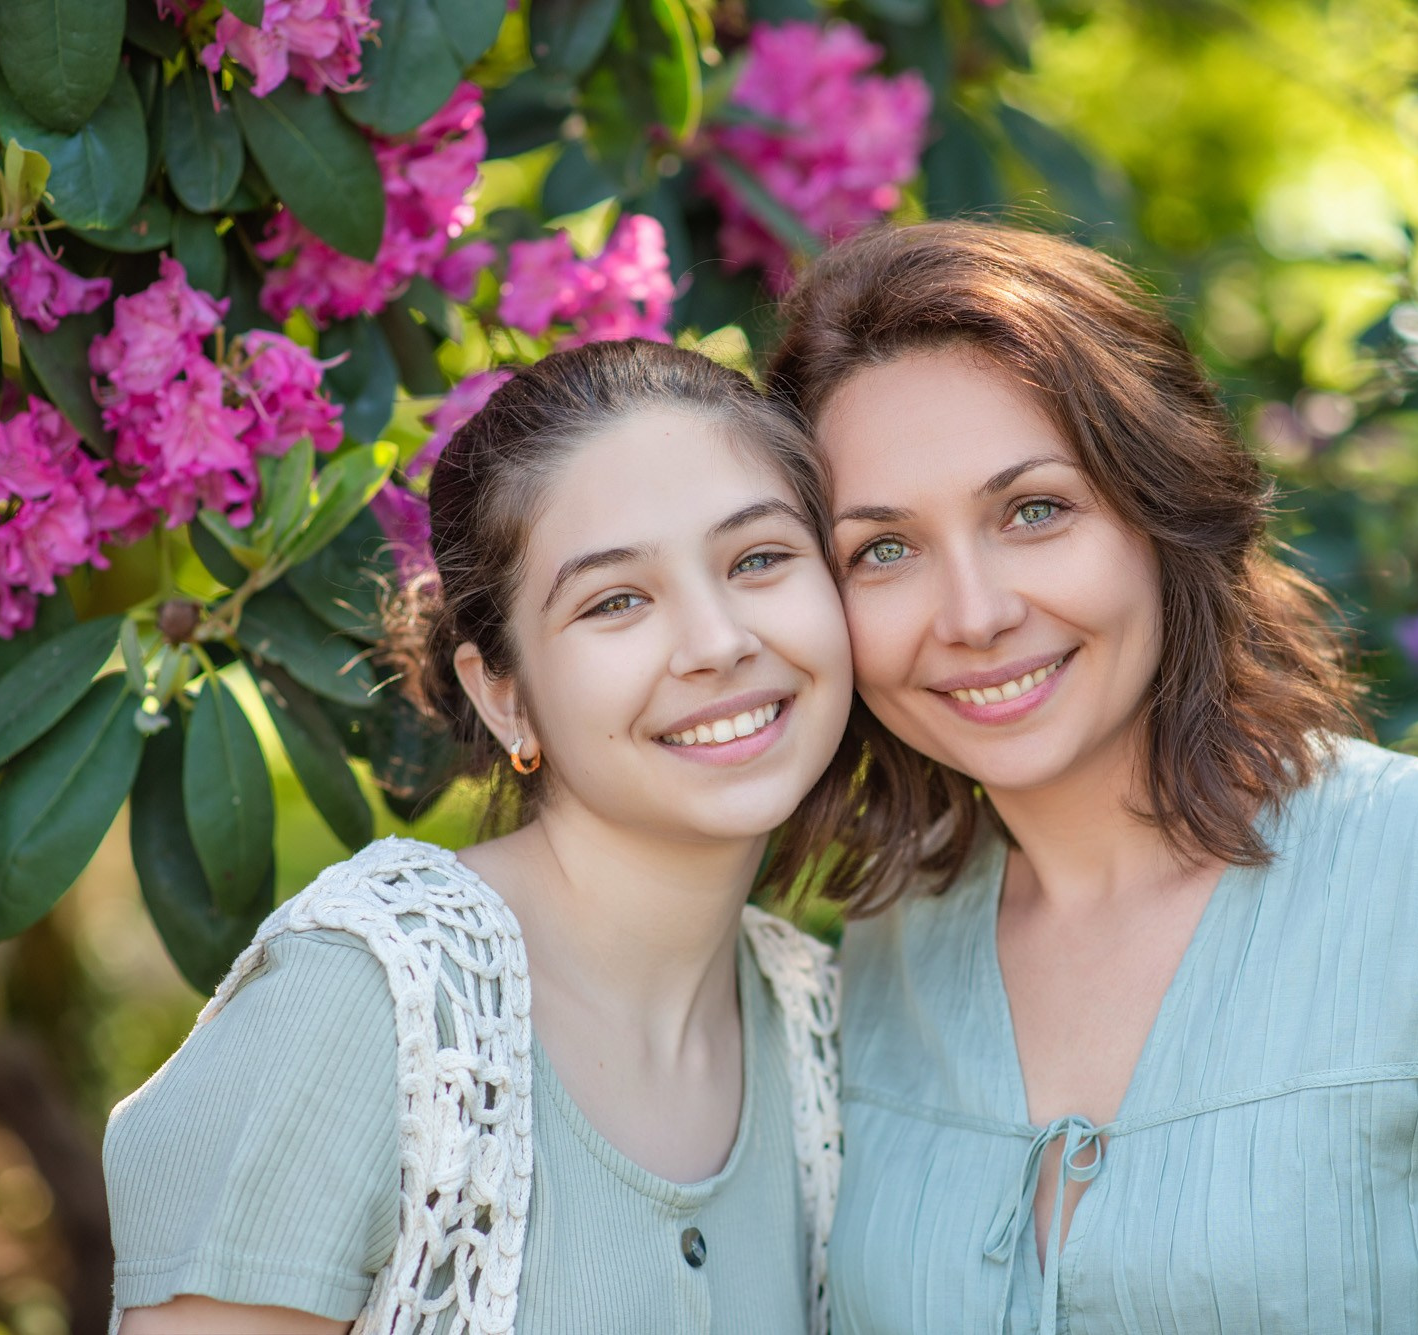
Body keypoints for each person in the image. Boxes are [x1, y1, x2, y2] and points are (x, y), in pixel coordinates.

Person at [767, 221, 1418, 1334]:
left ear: (1157, 508)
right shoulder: (880, 965)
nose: (973, 615)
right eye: (881, 550)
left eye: (1034, 510)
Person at [105, 339, 856, 1335]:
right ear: (503, 696)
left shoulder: (817, 1030)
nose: (719, 642)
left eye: (758, 559)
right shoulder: (369, 1001)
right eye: (615, 601)